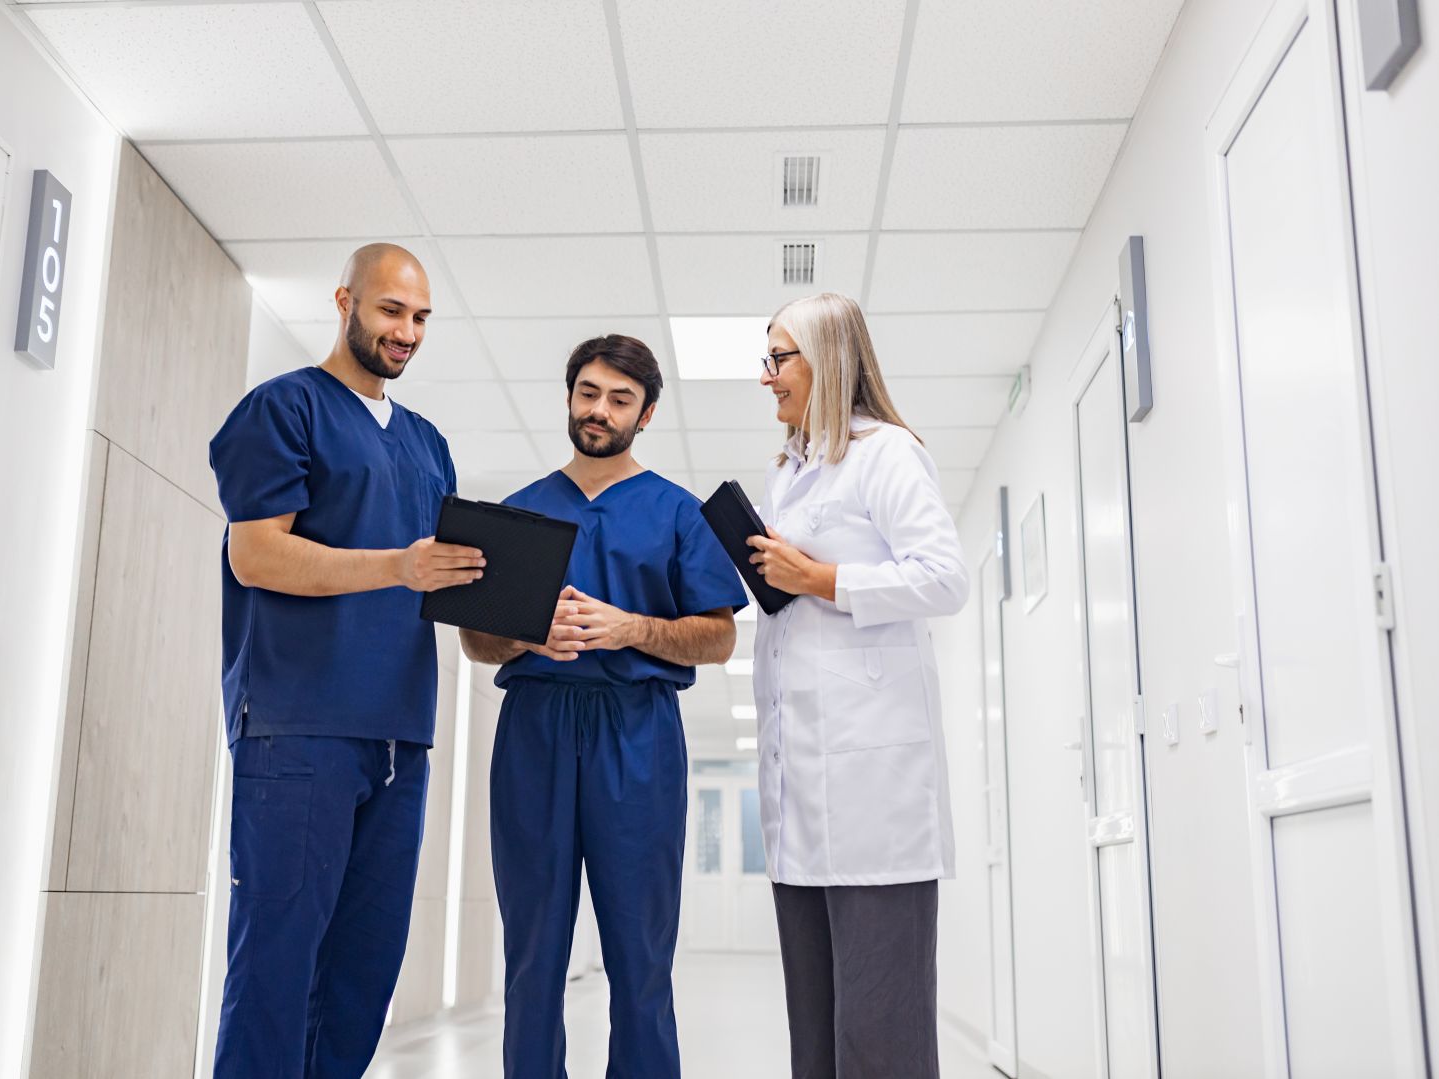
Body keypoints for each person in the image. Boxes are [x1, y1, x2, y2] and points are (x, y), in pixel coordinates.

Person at [207, 243, 483, 1077]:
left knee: (363, 975)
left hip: (399, 738)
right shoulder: (284, 409)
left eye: (421, 317)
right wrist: (396, 564)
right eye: (391, 310)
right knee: (278, 966)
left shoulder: (430, 446)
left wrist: (522, 618)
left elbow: (446, 588)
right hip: (299, 727)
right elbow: (256, 556)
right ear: (345, 301)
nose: (406, 331)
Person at [459, 334, 749, 1078]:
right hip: (536, 735)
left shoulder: (677, 512)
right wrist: (526, 638)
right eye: (588, 391)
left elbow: (717, 637)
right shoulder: (518, 514)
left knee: (641, 958)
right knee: (532, 957)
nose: (600, 409)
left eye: (620, 398)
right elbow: (475, 640)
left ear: (646, 414)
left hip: (638, 735)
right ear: (567, 397)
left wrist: (628, 628)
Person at [745, 292, 969, 1078]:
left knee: (882, 1038)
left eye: (779, 358)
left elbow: (945, 579)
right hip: (801, 799)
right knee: (818, 1037)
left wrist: (821, 578)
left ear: (827, 360)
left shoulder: (886, 453)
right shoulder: (792, 474)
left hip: (876, 802)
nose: (766, 376)